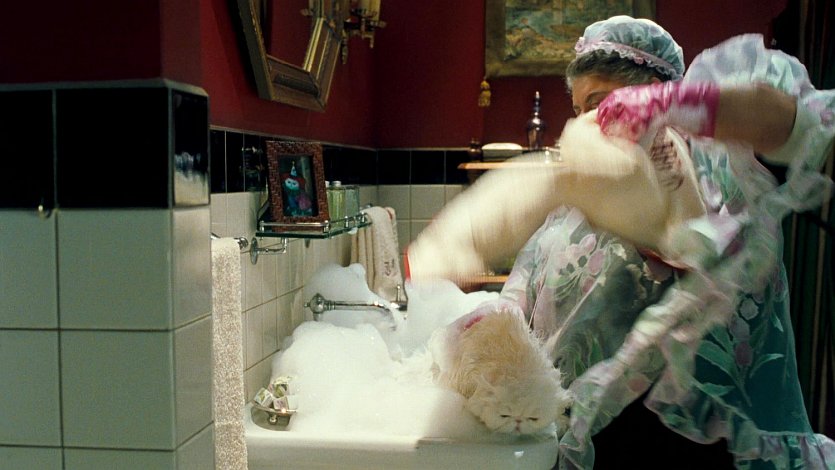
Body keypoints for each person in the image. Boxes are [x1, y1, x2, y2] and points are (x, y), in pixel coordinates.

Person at [406, 15, 835, 470]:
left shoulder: (721, 165)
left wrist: (677, 106)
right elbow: (525, 295)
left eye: (598, 101)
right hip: (591, 442)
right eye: (579, 109)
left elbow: (798, 123)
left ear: (652, 86)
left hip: (700, 441)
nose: (588, 121)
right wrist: (489, 322)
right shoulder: (574, 199)